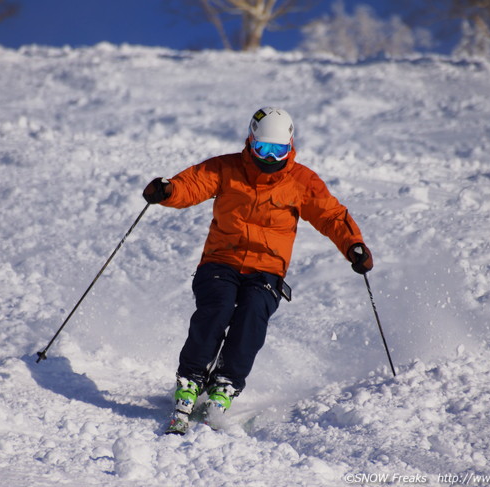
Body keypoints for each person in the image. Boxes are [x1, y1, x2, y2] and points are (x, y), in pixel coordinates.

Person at [143, 107, 373, 432]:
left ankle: (225, 383)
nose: (269, 157)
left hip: (266, 270)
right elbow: (191, 184)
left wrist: (353, 246)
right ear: (250, 141)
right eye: (263, 148)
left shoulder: (301, 181)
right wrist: (168, 191)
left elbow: (331, 216)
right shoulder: (226, 168)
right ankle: (190, 378)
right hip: (220, 261)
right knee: (218, 307)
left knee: (252, 314)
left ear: (290, 146)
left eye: (277, 151)